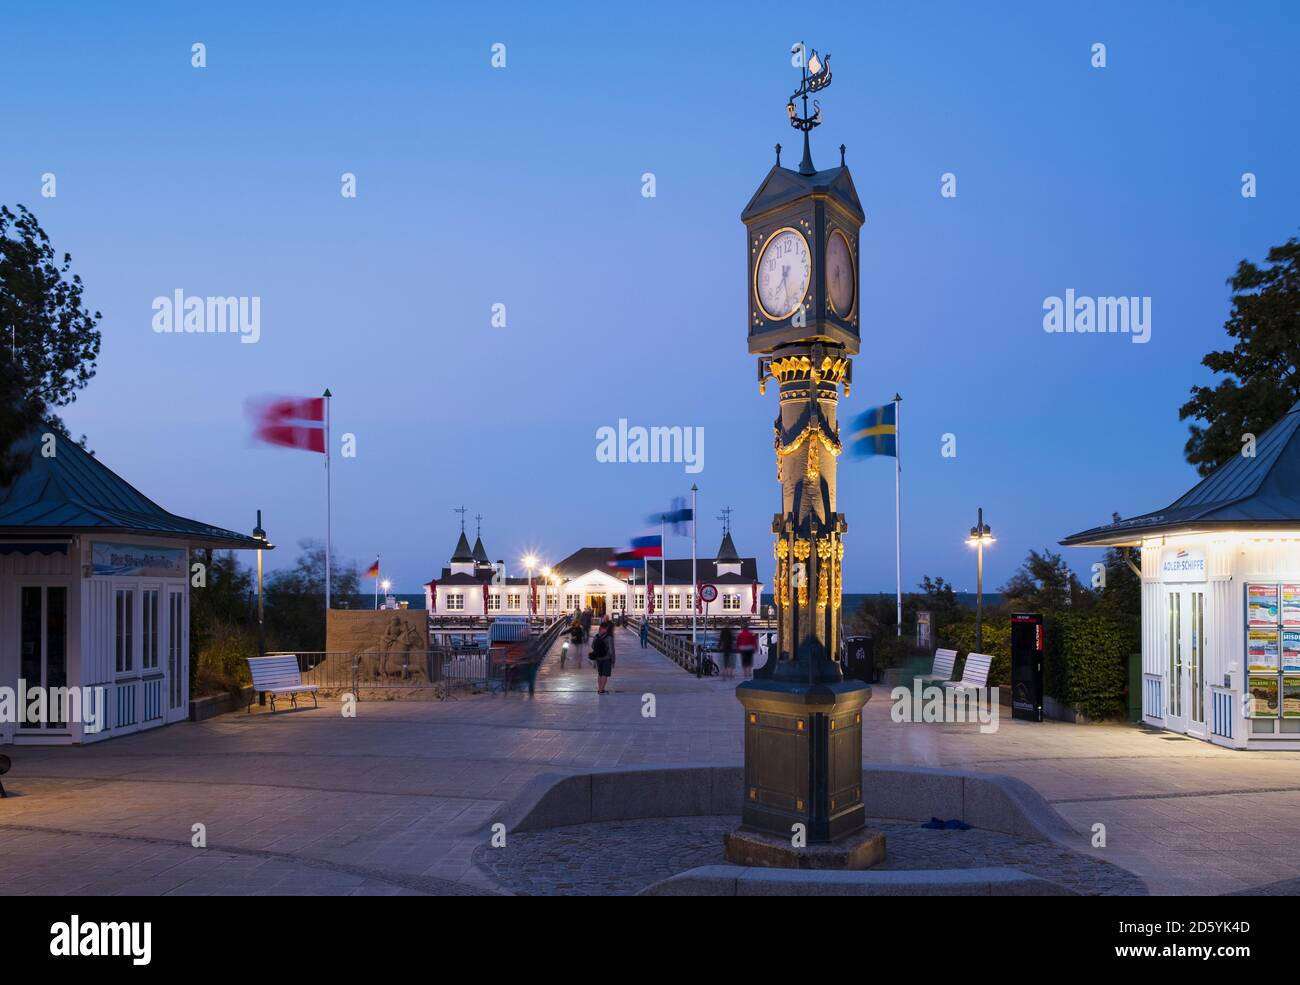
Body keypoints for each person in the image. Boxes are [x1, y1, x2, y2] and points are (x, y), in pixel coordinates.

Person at [591, 621, 614, 694]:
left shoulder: (596, 636)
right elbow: (611, 650)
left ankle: (599, 688)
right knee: (605, 674)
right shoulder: (609, 637)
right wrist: (612, 659)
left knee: (600, 674)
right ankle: (602, 689)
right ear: (606, 628)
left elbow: (592, 646)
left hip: (598, 658)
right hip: (606, 658)